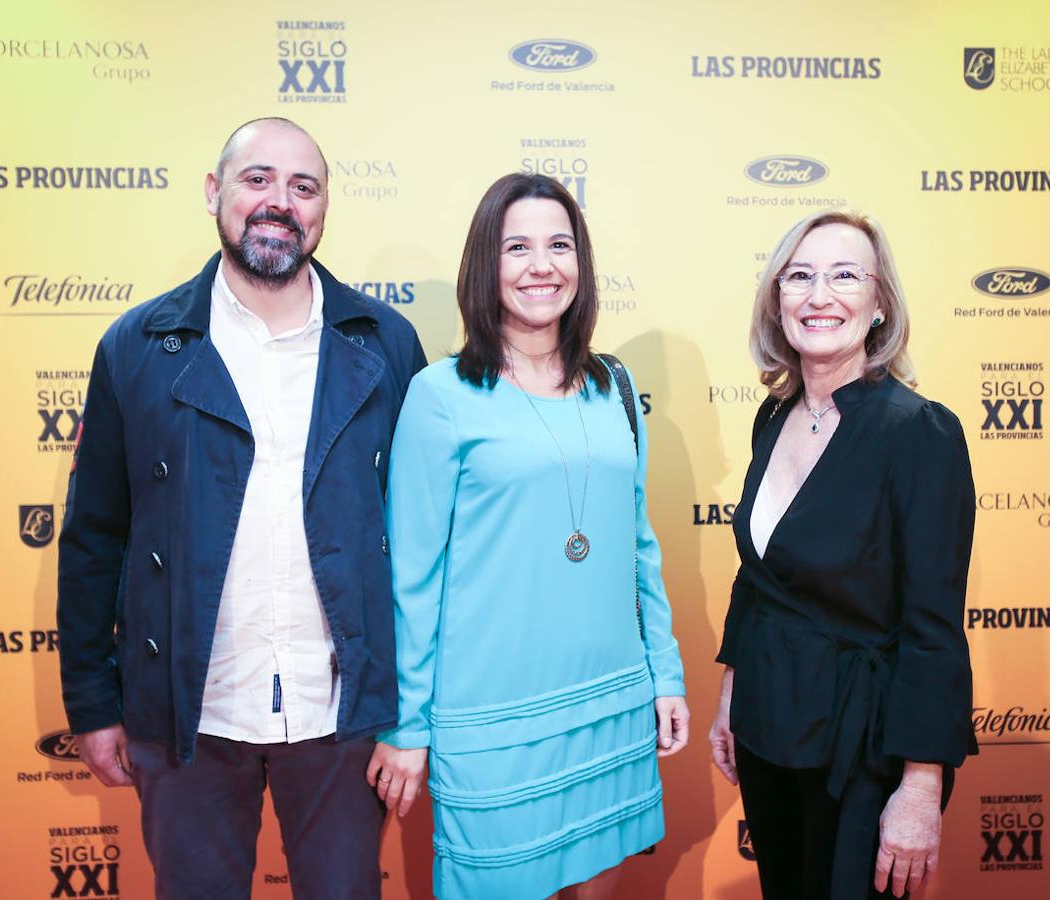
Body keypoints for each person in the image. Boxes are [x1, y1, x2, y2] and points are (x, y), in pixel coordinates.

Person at [56, 117, 426, 899]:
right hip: (190, 714)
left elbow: (422, 542)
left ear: (324, 207)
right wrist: (92, 703)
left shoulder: (386, 343)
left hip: (343, 718)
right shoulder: (138, 345)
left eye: (303, 186)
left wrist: (414, 715)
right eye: (257, 179)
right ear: (213, 191)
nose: (278, 203)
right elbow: (94, 537)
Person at [367, 173, 689, 899]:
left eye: (559, 245)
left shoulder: (613, 385)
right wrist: (407, 724)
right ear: (487, 265)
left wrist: (663, 675)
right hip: (492, 722)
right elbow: (410, 579)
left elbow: (638, 546)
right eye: (518, 247)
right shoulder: (441, 396)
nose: (542, 265)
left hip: (610, 703)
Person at [707, 209, 977, 899]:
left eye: (845, 275)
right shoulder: (777, 413)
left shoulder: (919, 433)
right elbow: (760, 576)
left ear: (880, 302)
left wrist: (922, 784)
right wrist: (733, 689)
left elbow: (934, 626)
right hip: (768, 727)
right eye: (799, 276)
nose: (818, 295)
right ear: (777, 299)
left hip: (863, 750)